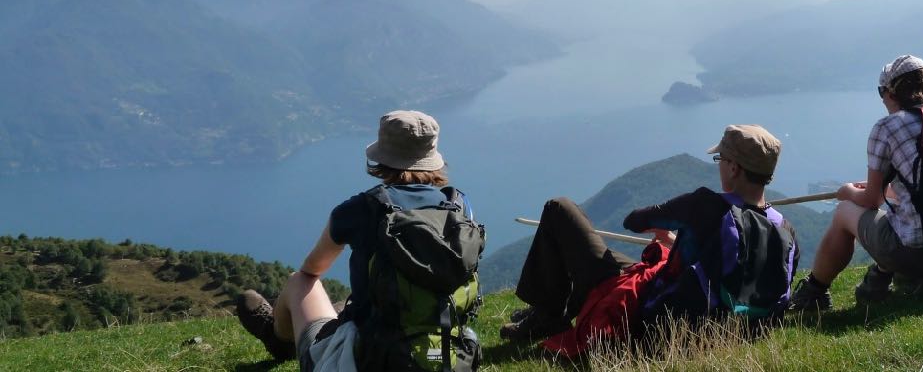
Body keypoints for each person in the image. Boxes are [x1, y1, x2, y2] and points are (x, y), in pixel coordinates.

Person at [500, 124, 799, 348]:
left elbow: (636, 220)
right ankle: (558, 308)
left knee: (559, 209)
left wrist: (678, 231)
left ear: (734, 167)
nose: (719, 164)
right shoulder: (786, 232)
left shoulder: (704, 206)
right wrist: (680, 245)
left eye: (720, 158)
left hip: (655, 320)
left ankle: (548, 316)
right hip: (725, 336)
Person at [235, 110, 473, 371]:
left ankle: (278, 339)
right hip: (446, 355)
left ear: (382, 156)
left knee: (300, 281)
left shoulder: (360, 209)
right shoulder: (458, 208)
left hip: (366, 360)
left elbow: (312, 268)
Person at [790, 55, 923, 310]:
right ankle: (875, 284)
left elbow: (870, 200)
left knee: (844, 213)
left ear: (890, 92)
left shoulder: (889, 127)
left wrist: (848, 192)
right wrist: (890, 189)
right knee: (900, 218)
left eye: (881, 93)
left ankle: (813, 293)